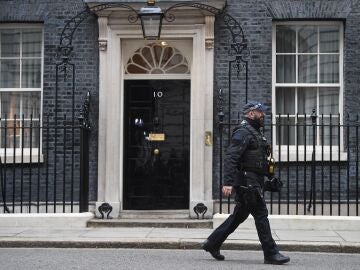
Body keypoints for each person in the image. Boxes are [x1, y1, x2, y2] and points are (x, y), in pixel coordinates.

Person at [202, 101, 290, 265]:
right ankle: (271, 253)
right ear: (251, 114)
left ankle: (212, 243)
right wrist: (228, 182)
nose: (263, 115)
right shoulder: (243, 132)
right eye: (260, 112)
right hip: (246, 183)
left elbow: (261, 159)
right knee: (261, 214)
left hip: (253, 180)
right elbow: (231, 157)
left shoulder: (256, 133)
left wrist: (269, 178)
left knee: (239, 215)